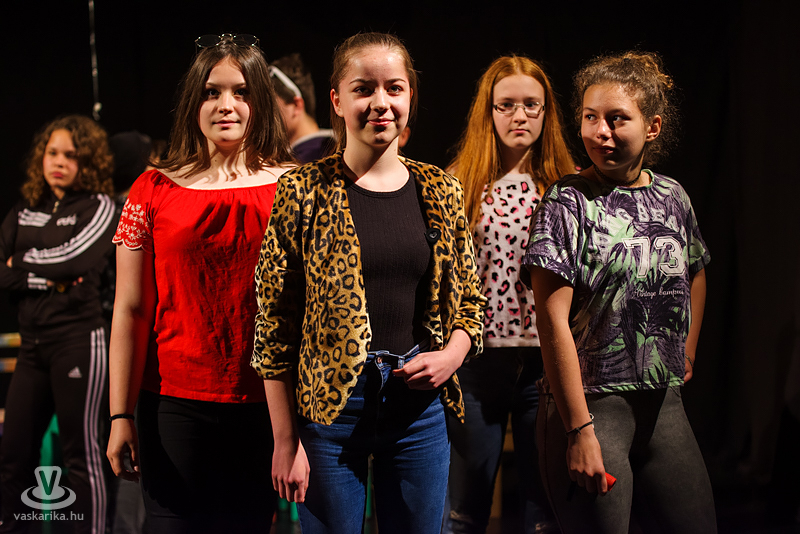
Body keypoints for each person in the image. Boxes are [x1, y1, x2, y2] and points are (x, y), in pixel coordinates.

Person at [251, 32, 486, 534]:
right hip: (330, 415)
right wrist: (285, 440)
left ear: (410, 97)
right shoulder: (302, 190)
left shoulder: (440, 189)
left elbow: (469, 300)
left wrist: (452, 355)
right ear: (337, 100)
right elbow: (273, 325)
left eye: (394, 88)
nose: (381, 102)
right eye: (363, 89)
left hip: (417, 411)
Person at [105, 34, 293, 534]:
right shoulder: (153, 188)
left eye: (241, 92)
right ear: (194, 100)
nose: (226, 104)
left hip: (267, 404)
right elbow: (130, 309)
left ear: (261, 101)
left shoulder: (295, 186)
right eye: (212, 92)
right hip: (174, 403)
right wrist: (120, 414)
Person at [522, 51, 717, 533]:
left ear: (651, 127)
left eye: (617, 119)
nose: (600, 132)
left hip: (664, 405)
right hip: (592, 407)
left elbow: (695, 269)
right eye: (591, 118)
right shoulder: (567, 203)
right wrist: (578, 429)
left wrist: (687, 349)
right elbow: (551, 322)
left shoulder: (672, 196)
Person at [444, 55, 575, 534]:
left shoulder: (566, 185)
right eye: (506, 105)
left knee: (546, 510)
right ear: (489, 110)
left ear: (546, 111)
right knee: (465, 507)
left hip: (547, 363)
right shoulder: (459, 182)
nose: (519, 115)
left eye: (531, 105)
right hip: (477, 360)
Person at [0, 114, 117, 534]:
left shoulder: (100, 206)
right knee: (13, 455)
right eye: (52, 153)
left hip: (78, 340)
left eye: (71, 155)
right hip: (32, 346)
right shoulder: (24, 208)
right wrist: (45, 278)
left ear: (88, 162)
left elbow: (75, 260)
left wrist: (20, 263)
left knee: (81, 456)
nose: (59, 162)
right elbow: (2, 272)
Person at [270, 53, 336, 163]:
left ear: (296, 105)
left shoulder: (312, 158)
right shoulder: (337, 147)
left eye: (270, 106)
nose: (263, 114)